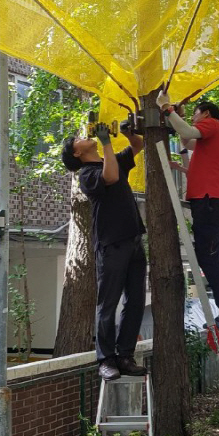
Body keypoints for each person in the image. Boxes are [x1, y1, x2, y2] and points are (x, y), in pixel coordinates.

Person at [61, 121, 147, 381]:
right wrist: (107, 143)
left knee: (135, 302)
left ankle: (125, 356)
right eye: (78, 139)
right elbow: (110, 177)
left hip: (133, 239)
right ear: (77, 153)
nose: (84, 137)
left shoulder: (111, 160)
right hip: (111, 244)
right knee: (108, 304)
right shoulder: (86, 174)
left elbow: (138, 145)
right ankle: (105, 360)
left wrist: (128, 134)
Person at [156, 90, 219, 330]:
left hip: (209, 202)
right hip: (216, 201)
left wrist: (167, 109)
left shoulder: (212, 125)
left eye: (195, 114)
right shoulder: (211, 138)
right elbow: (187, 140)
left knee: (208, 256)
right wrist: (179, 115)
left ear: (205, 113)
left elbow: (187, 132)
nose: (194, 118)